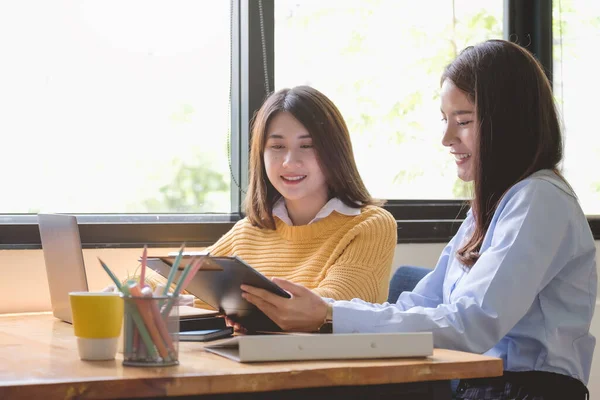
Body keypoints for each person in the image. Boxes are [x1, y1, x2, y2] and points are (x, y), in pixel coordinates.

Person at [239, 40, 596, 399]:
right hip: (476, 383)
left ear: (509, 122)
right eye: (445, 120)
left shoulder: (539, 200)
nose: (447, 138)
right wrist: (326, 312)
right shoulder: (489, 208)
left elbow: (469, 326)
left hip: (525, 389)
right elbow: (420, 306)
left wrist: (328, 315)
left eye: (464, 121)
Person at [204, 85, 397, 305]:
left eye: (306, 145)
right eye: (277, 146)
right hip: (248, 341)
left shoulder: (370, 225)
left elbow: (330, 308)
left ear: (334, 151)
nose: (289, 162)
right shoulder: (250, 230)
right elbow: (179, 281)